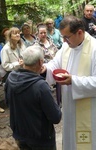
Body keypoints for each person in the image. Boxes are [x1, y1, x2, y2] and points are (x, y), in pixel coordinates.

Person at [43, 15, 96, 150]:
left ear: (79, 32)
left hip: (90, 110)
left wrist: (74, 81)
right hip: (69, 107)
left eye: (67, 37)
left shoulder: (94, 49)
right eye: (62, 37)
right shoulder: (66, 48)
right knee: (71, 140)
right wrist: (44, 70)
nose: (64, 41)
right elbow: (54, 65)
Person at [5, 45, 62, 150]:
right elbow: (56, 117)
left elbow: (8, 102)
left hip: (20, 135)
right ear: (41, 62)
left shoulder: (10, 78)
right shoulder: (41, 86)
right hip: (41, 139)